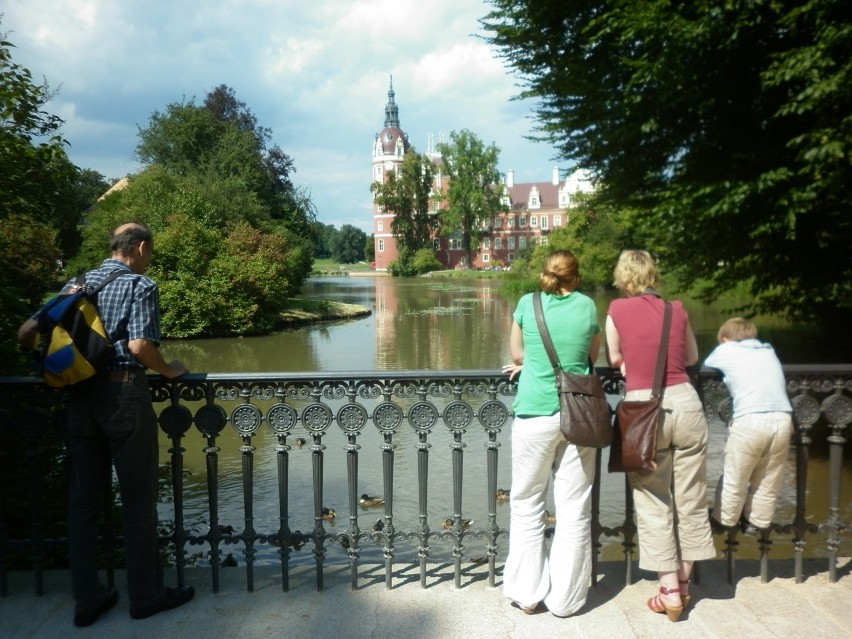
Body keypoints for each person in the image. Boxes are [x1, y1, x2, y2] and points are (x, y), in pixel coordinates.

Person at [18, 223, 194, 626]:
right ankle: (146, 595)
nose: (150, 259)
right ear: (141, 248)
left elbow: (27, 331)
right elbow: (138, 346)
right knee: (137, 497)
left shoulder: (75, 285)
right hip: (123, 396)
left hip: (79, 399)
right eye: (150, 252)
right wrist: (168, 371)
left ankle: (87, 599)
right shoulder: (139, 285)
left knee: (82, 501)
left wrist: (48, 370)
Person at [605, 250, 715, 622]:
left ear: (622, 276)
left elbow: (614, 358)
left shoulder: (616, 310)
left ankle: (668, 589)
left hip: (643, 409)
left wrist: (629, 363)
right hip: (686, 403)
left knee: (653, 498)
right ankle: (683, 583)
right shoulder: (677, 309)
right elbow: (691, 358)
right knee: (691, 497)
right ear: (653, 274)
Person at [501, 250, 600, 618]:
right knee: (574, 508)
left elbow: (516, 352)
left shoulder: (528, 303)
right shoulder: (588, 306)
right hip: (579, 414)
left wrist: (528, 364)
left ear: (545, 274)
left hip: (534, 412)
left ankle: (528, 595)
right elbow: (590, 357)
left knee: (527, 503)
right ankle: (567, 601)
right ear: (575, 277)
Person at [705, 318, 793, 535]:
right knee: (768, 476)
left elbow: (708, 363)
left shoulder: (726, 351)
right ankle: (756, 522)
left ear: (725, 340)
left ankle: (723, 521)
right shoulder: (767, 350)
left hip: (750, 419)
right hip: (782, 418)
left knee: (736, 473)